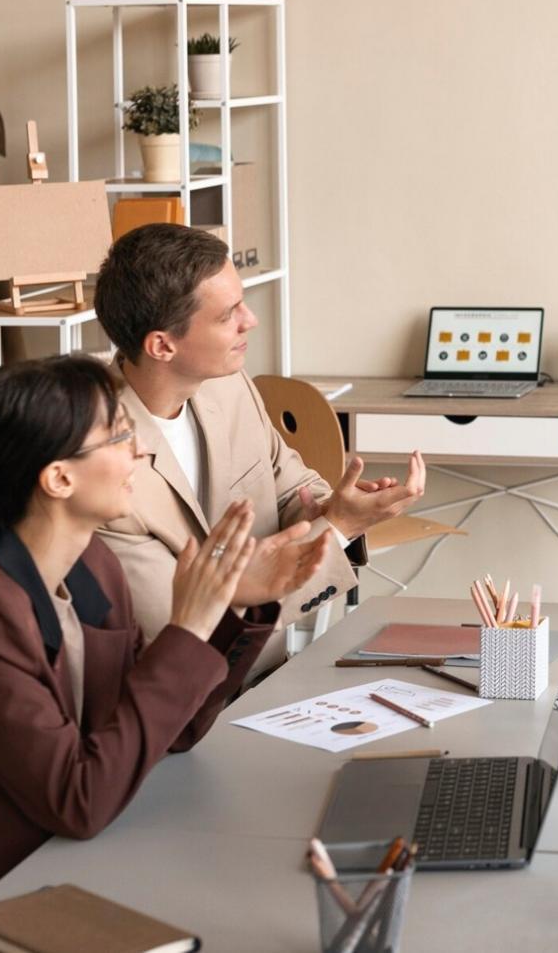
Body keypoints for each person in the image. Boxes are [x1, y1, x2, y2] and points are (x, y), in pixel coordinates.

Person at [0, 356, 319, 949]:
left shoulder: (93, 564)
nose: (140, 453)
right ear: (59, 479)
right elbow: (79, 798)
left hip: (64, 868)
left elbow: (172, 733)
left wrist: (231, 606)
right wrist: (186, 630)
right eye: (120, 436)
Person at [93, 224, 426, 672]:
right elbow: (183, 625)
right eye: (228, 314)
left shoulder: (228, 386)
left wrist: (336, 507)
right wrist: (338, 528)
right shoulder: (102, 462)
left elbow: (291, 487)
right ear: (162, 345)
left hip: (268, 676)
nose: (250, 321)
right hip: (177, 703)